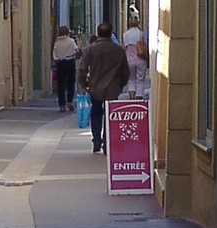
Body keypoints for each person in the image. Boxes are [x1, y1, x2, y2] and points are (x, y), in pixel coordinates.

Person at [77, 21, 130, 153]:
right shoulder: (119, 51)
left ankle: (96, 140)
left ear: (98, 33)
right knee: (110, 116)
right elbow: (125, 71)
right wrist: (121, 84)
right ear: (110, 33)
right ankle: (107, 143)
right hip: (113, 88)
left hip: (95, 87)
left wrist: (83, 84)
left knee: (96, 114)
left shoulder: (91, 49)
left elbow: (82, 68)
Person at [52, 25, 79, 112]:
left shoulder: (57, 43)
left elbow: (54, 55)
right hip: (70, 62)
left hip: (60, 64)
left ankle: (62, 104)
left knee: (61, 85)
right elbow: (77, 50)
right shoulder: (71, 41)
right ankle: (70, 102)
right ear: (67, 33)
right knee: (71, 83)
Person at [122, 14, 148, 98]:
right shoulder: (141, 34)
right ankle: (139, 97)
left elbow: (124, 47)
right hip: (140, 59)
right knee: (140, 79)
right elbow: (145, 45)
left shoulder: (125, 34)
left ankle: (132, 97)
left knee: (131, 79)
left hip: (129, 60)